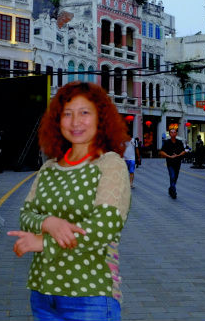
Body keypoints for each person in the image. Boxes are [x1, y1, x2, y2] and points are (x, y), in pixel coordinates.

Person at [8, 82, 131, 321]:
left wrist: (44, 242)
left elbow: (103, 227)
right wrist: (48, 223)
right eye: (67, 114)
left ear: (101, 118)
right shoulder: (48, 168)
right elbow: (26, 214)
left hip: (91, 296)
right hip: (43, 294)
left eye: (84, 112)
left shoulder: (110, 164)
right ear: (57, 120)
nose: (75, 122)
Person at [159, 124, 186, 199]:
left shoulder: (179, 142)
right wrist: (169, 156)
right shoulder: (167, 142)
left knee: (175, 177)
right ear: (169, 134)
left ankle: (171, 189)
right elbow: (161, 152)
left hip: (178, 162)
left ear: (176, 134)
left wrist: (178, 155)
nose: (173, 133)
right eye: (171, 132)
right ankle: (173, 191)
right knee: (172, 176)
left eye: (174, 132)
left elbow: (184, 151)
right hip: (170, 162)